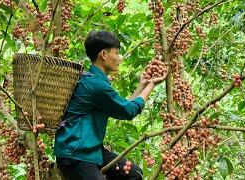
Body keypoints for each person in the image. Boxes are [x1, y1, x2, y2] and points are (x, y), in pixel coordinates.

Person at [54, 30, 167, 180]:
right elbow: (129, 111)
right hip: (75, 155)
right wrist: (151, 85)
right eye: (117, 53)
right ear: (104, 55)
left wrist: (142, 85)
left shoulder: (95, 81)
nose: (119, 58)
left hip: (93, 151)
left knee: (134, 174)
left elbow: (123, 107)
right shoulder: (96, 85)